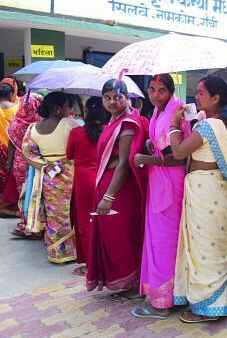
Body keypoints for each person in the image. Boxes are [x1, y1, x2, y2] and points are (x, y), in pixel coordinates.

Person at [169, 76, 227, 323]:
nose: (197, 96)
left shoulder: (207, 127)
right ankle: (220, 303)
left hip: (207, 192)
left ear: (216, 99)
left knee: (206, 249)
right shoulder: (220, 124)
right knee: (211, 248)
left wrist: (174, 125)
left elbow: (179, 152)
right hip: (212, 192)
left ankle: (207, 308)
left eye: (202, 93)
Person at [129, 74, 192, 319]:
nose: (156, 94)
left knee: (165, 240)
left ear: (171, 90)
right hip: (159, 180)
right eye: (152, 89)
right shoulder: (158, 111)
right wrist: (150, 147)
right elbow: (162, 144)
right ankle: (168, 295)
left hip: (170, 181)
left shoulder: (177, 111)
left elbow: (180, 156)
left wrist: (149, 159)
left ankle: (163, 302)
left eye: (161, 90)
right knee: (158, 238)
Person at [86, 79, 148, 299]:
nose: (112, 101)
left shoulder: (128, 124)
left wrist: (108, 196)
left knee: (123, 238)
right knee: (113, 238)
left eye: (117, 97)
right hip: (108, 186)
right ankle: (125, 282)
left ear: (126, 97)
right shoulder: (114, 121)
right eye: (107, 97)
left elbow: (124, 163)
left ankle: (133, 284)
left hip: (120, 192)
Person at [21, 92, 80, 263]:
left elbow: (28, 154)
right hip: (70, 173)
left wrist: (44, 166)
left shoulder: (32, 128)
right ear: (57, 109)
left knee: (53, 214)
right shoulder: (70, 124)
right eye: (68, 106)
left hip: (48, 177)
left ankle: (56, 253)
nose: (70, 110)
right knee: (71, 212)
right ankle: (74, 251)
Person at [66, 97, 107, 275]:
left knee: (84, 222)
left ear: (86, 112)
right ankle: (103, 261)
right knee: (104, 220)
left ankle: (90, 263)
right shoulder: (108, 131)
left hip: (83, 181)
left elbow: (69, 155)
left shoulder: (76, 132)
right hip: (103, 178)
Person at [8, 94, 42, 237]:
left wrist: (9, 163)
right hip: (36, 162)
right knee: (36, 193)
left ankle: (26, 222)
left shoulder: (15, 123)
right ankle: (37, 223)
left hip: (20, 162)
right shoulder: (39, 123)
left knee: (23, 195)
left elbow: (11, 145)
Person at [0, 79, 20, 216]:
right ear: (13, 93)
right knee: (10, 178)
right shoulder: (17, 109)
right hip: (11, 149)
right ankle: (7, 204)